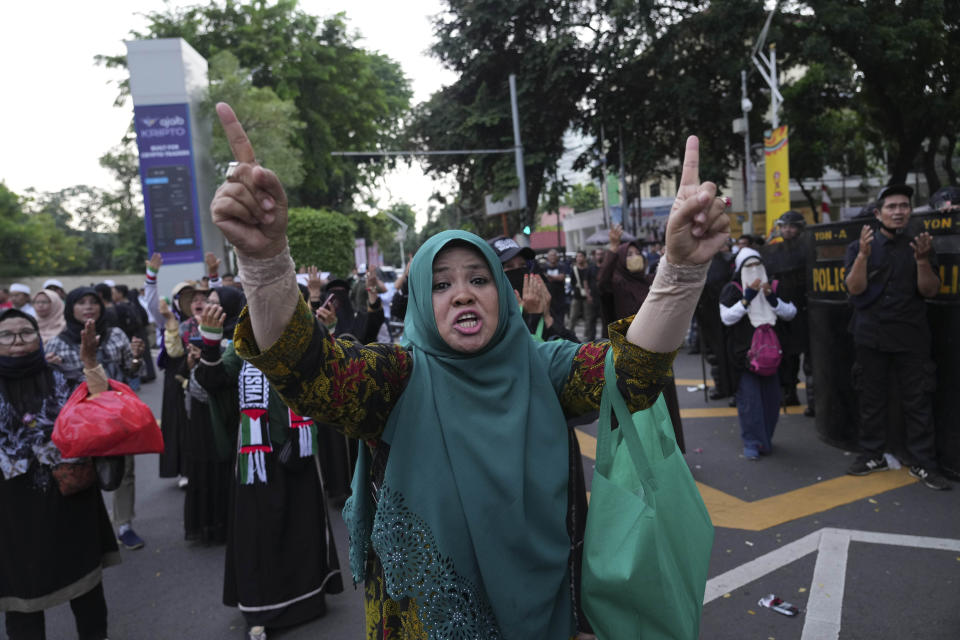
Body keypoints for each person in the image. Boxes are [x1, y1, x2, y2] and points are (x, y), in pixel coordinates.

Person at [209, 102, 729, 639]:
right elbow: (306, 369)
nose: (461, 292)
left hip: (548, 620)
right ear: (418, 301)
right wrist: (267, 262)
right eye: (440, 283)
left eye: (479, 278)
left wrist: (682, 271)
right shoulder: (396, 380)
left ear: (502, 294)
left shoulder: (545, 368)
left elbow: (635, 372)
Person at [195, 289, 344, 640]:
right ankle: (262, 611)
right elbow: (212, 381)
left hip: (300, 451)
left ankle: (308, 600)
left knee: (303, 525)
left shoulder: (308, 342)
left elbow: (335, 377)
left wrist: (330, 333)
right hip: (257, 458)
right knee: (259, 533)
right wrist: (210, 343)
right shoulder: (243, 347)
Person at [0, 308, 120, 640]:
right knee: (22, 599)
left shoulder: (60, 374)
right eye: (7, 335)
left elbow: (101, 405)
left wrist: (90, 361)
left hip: (68, 496)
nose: (18, 341)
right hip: (12, 510)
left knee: (86, 590)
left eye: (26, 333)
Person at [843, 185, 950, 491]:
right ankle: (872, 453)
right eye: (892, 206)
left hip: (911, 336)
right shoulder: (859, 247)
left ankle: (923, 462)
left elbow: (930, 291)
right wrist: (863, 256)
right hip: (870, 335)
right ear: (878, 214)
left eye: (904, 206)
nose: (899, 211)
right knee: (871, 398)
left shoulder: (921, 245)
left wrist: (922, 260)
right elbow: (855, 289)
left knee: (918, 401)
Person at [44, 287, 149, 548]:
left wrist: (136, 358)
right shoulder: (58, 343)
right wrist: (48, 366)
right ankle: (92, 527)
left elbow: (132, 370)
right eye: (81, 303)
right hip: (81, 420)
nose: (89, 307)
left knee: (123, 470)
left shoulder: (115, 335)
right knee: (82, 472)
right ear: (71, 309)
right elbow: (52, 388)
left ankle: (124, 525)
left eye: (94, 302)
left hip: (116, 414)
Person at [599, 232, 688, 452]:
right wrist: (612, 249)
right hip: (628, 358)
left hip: (657, 354)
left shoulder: (650, 281)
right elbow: (602, 282)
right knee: (633, 412)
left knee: (662, 407)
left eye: (638, 253)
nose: (635, 256)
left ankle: (666, 451)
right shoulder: (617, 284)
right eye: (628, 254)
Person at [719, 247, 797, 459]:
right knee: (750, 402)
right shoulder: (732, 289)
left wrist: (772, 299)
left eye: (757, 265)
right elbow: (726, 317)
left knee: (771, 401)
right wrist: (747, 299)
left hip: (772, 354)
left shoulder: (773, 286)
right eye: (748, 266)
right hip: (745, 356)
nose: (754, 270)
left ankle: (765, 439)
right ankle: (752, 442)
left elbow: (790, 312)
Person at [762, 210, 814, 415]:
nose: (787, 230)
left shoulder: (810, 249)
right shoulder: (773, 252)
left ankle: (814, 401)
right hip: (782, 310)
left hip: (808, 309)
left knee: (812, 359)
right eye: (784, 226)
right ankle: (789, 393)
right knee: (786, 357)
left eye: (791, 226)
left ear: (800, 228)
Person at [567, 250, 594, 340]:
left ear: (585, 258)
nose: (579, 258)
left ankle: (587, 337)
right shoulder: (574, 269)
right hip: (577, 296)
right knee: (573, 316)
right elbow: (572, 282)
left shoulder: (589, 268)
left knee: (588, 317)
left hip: (587, 296)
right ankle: (569, 335)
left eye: (581, 256)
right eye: (577, 256)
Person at [541, 248, 570, 328]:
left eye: (554, 255)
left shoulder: (561, 266)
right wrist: (555, 277)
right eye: (551, 255)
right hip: (549, 296)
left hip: (560, 296)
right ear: (548, 257)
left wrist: (550, 277)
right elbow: (543, 278)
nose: (552, 257)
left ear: (557, 257)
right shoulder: (544, 267)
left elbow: (561, 277)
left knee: (560, 316)